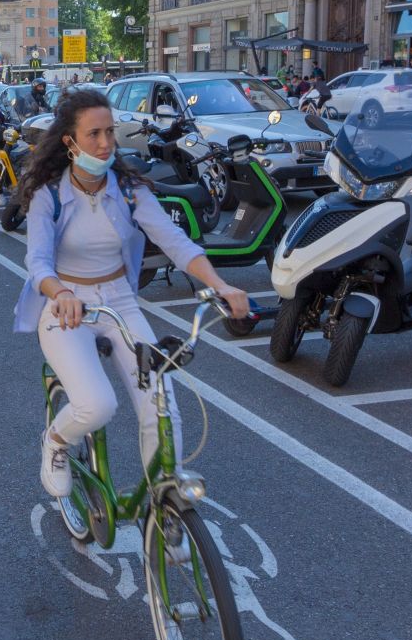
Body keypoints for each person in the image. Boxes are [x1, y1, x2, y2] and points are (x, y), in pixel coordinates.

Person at [16, 89, 249, 496]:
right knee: (97, 405)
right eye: (93, 134)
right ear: (70, 141)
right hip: (66, 308)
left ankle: (165, 505)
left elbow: (175, 241)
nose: (105, 143)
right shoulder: (48, 194)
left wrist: (220, 285)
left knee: (161, 406)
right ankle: (54, 442)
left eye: (110, 131)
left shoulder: (128, 188)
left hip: (120, 300)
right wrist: (61, 293)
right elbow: (37, 262)